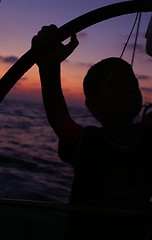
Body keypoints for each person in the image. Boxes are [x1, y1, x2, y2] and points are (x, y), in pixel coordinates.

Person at [31, 24, 152, 239]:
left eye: (134, 82)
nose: (131, 87)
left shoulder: (147, 136)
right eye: (118, 82)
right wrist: (49, 67)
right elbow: (59, 119)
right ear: (94, 105)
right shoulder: (90, 143)